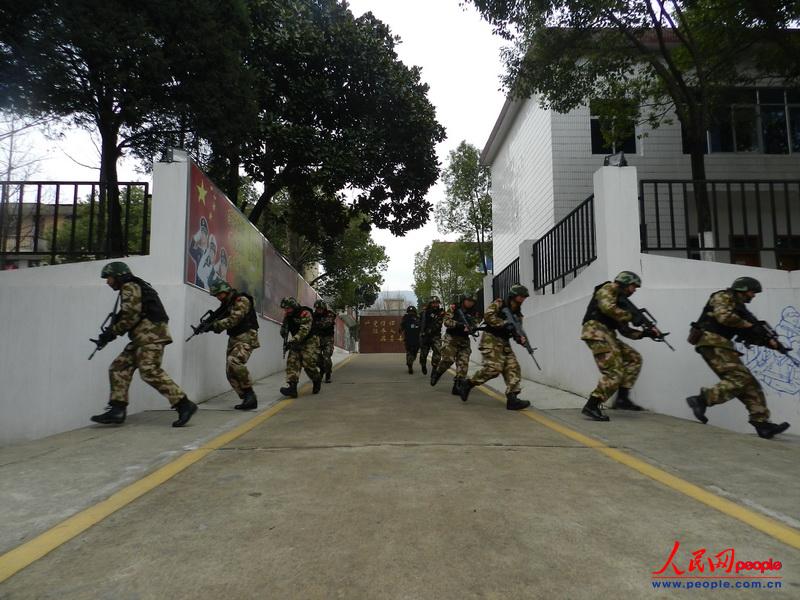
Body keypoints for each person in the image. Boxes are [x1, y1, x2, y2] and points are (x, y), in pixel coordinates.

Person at [90, 261, 197, 427]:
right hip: (142, 337)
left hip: (151, 335)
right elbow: (129, 314)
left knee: (149, 370)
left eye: (109, 278)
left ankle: (184, 404)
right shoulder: (134, 286)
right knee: (119, 367)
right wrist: (109, 334)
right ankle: (117, 409)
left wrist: (112, 333)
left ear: (118, 276)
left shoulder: (130, 286)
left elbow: (131, 315)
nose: (107, 282)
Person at [686, 277, 791, 439]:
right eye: (752, 292)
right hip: (712, 341)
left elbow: (748, 334)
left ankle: (761, 423)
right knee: (740, 377)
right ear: (742, 289)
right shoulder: (723, 296)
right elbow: (724, 317)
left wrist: (770, 342)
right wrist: (751, 326)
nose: (753, 295)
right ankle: (702, 399)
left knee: (750, 384)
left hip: (722, 345)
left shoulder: (741, 309)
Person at [579, 271, 659, 421]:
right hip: (596, 331)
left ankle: (622, 399)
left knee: (634, 358)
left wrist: (646, 333)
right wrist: (631, 316)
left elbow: (625, 331)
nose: (634, 290)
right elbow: (607, 308)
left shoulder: (620, 302)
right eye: (633, 286)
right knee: (614, 371)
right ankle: (592, 405)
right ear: (625, 282)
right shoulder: (608, 288)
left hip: (608, 334)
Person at [458, 284, 531, 410]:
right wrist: (504, 323)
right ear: (514, 296)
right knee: (493, 369)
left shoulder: (518, 315)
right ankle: (468, 384)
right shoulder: (500, 303)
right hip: (490, 340)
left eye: (524, 297)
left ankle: (512, 399)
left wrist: (521, 339)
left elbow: (517, 332)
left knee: (513, 367)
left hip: (504, 343)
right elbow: (488, 316)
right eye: (521, 296)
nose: (523, 299)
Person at [198, 280, 260, 410]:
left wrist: (213, 326)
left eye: (219, 294)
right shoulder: (227, 304)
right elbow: (218, 317)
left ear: (226, 290)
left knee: (234, 361)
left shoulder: (241, 300)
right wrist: (206, 325)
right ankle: (246, 398)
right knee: (230, 371)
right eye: (216, 295)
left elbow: (234, 319)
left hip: (247, 336)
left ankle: (250, 395)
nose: (218, 297)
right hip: (234, 338)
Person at [431, 292, 481, 395]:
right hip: (451, 338)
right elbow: (446, 321)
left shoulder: (474, 311)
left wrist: (472, 327)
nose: (470, 303)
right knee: (448, 360)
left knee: (463, 364)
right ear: (464, 300)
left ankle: (457, 386)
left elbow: (476, 322)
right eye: (468, 301)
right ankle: (437, 373)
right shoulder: (454, 308)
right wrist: (459, 325)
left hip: (464, 340)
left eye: (472, 301)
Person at [279, 297, 321, 398]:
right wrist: (283, 332)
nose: (286, 310)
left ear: (293, 306)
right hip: (297, 341)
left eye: (288, 308)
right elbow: (284, 329)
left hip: (310, 341)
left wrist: (292, 340)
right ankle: (292, 388)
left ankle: (316, 379)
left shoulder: (305, 313)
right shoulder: (288, 315)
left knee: (308, 363)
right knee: (292, 362)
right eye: (285, 309)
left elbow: (304, 331)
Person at [311, 299, 337, 383]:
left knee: (327, 357)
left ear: (324, 308)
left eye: (320, 308)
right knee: (316, 358)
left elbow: (325, 324)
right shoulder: (314, 315)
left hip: (328, 339)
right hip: (317, 338)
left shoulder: (330, 314)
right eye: (317, 308)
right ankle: (322, 369)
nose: (319, 310)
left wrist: (315, 325)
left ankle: (328, 374)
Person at [418, 296, 444, 375]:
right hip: (425, 336)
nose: (435, 305)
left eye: (437, 303)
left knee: (438, 353)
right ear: (430, 304)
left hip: (436, 336)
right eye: (433, 303)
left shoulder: (441, 313)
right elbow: (420, 323)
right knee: (423, 355)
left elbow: (442, 322)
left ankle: (434, 369)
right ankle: (423, 365)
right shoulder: (424, 313)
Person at [399, 306, 421, 374]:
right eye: (410, 312)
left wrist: (400, 330)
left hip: (412, 338)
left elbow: (401, 326)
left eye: (412, 312)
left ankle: (409, 362)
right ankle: (410, 363)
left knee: (410, 352)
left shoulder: (416, 318)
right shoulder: (407, 318)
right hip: (413, 339)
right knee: (412, 352)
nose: (411, 313)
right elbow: (402, 326)